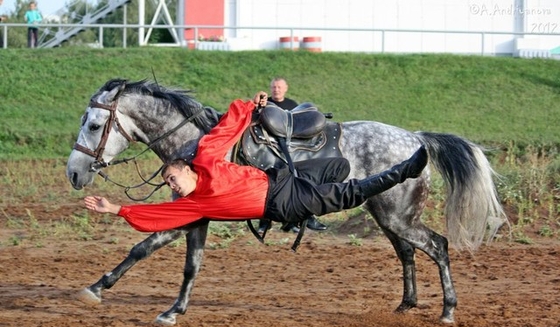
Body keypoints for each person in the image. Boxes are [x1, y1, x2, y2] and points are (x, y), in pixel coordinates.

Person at [83, 92, 428, 235]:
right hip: (285, 203)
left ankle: (361, 175)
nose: (172, 185)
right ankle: (404, 171)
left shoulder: (205, 159)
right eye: (170, 184)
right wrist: (115, 209)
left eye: (173, 177)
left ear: (188, 168)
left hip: (283, 178)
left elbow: (227, 129)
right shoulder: (195, 205)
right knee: (353, 192)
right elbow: (156, 217)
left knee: (338, 167)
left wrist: (251, 104)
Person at [260, 77, 328, 233]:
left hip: (292, 148)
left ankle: (293, 218)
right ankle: (264, 221)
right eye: (274, 87)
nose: (276, 89)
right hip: (269, 146)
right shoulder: (266, 103)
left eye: (279, 87)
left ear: (285, 88)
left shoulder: (292, 105)